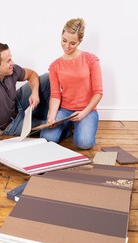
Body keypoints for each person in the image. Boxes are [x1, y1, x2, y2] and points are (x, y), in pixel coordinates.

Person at [40, 18, 103, 149]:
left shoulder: (91, 60)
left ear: (80, 41)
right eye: (64, 41)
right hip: (64, 110)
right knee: (46, 139)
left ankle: (80, 126)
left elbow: (98, 93)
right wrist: (52, 116)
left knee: (84, 143)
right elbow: (55, 95)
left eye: (72, 43)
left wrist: (84, 113)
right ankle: (68, 128)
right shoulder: (55, 66)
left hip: (86, 109)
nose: (67, 46)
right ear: (61, 37)